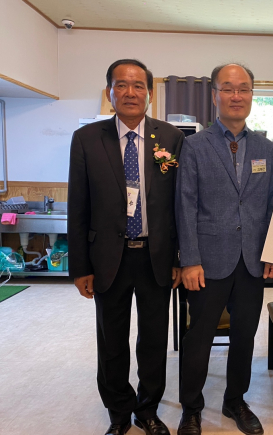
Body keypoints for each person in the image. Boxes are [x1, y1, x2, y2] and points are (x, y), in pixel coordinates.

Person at [68, 59, 183, 435]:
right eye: (121, 85)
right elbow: (78, 206)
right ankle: (118, 412)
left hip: (156, 256)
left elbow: (179, 205)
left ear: (149, 93)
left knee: (154, 340)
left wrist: (180, 258)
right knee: (112, 341)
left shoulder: (171, 138)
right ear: (109, 92)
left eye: (138, 86)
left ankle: (147, 410)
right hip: (107, 258)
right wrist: (80, 267)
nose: (130, 92)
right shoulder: (87, 139)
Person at [175, 63, 273, 435]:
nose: (237, 96)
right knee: (199, 338)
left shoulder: (265, 147)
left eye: (244, 88)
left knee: (244, 337)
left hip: (252, 262)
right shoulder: (194, 145)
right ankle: (191, 407)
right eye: (228, 88)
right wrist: (190, 259)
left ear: (252, 94)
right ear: (215, 95)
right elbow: (185, 205)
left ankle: (235, 400)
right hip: (207, 262)